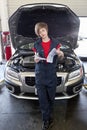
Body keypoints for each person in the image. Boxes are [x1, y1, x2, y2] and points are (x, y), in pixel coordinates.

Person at [33, 22, 64, 130]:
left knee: (51, 98)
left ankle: (49, 116)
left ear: (46, 30)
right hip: (40, 74)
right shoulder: (36, 44)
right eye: (39, 32)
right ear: (38, 33)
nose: (42, 33)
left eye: (43, 30)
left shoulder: (56, 43)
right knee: (42, 99)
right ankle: (45, 120)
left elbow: (61, 57)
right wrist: (35, 59)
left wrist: (61, 54)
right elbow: (35, 57)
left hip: (51, 74)